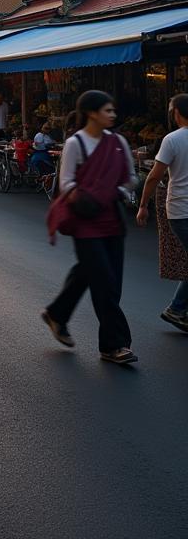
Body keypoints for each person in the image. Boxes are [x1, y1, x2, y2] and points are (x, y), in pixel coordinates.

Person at [43, 90, 137, 365]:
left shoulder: (118, 142)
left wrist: (114, 190)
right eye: (108, 110)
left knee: (100, 276)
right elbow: (67, 182)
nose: (113, 115)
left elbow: (131, 177)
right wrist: (91, 196)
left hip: (113, 219)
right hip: (86, 221)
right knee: (104, 282)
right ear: (92, 113)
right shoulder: (76, 144)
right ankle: (114, 345)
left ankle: (57, 314)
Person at [136, 93, 188, 333]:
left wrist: (143, 205)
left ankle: (177, 308)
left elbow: (155, 176)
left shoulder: (172, 139)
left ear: (176, 112)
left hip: (178, 209)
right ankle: (177, 308)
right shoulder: (173, 139)